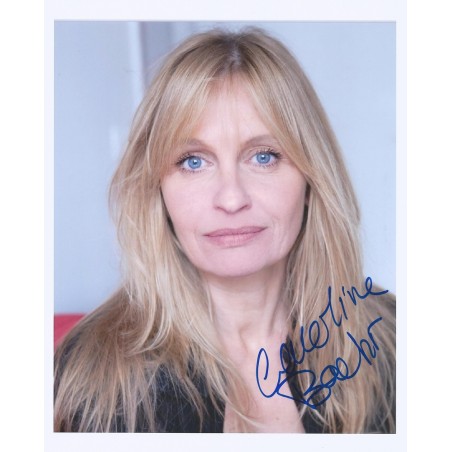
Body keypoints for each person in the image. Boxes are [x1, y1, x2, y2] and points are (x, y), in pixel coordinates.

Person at [54, 27, 396, 433]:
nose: (231, 199)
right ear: (156, 188)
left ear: (311, 178)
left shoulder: (392, 340)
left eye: (264, 156)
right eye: (193, 161)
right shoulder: (92, 375)